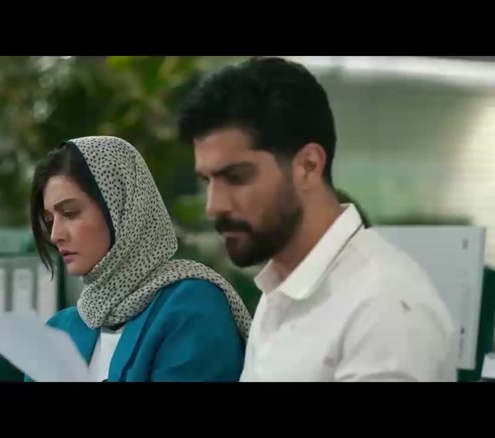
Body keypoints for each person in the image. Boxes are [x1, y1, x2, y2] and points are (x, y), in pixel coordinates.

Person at [176, 56, 457, 382]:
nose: (214, 206)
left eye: (236, 178)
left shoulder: (383, 307)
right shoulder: (280, 292)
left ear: (308, 166)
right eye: (207, 181)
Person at [27, 136, 252, 382]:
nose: (55, 235)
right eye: (49, 220)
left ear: (121, 209)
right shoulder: (60, 330)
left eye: (70, 213)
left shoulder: (192, 305)